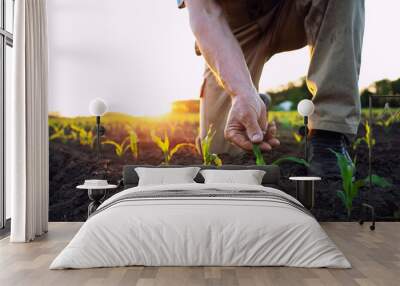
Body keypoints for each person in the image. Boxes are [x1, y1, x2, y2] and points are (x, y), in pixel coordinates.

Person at [177, 0, 365, 177]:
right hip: (234, 29)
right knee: (221, 151)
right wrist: (242, 93)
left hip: (290, 9)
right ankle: (254, 101)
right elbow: (205, 14)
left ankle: (328, 134)